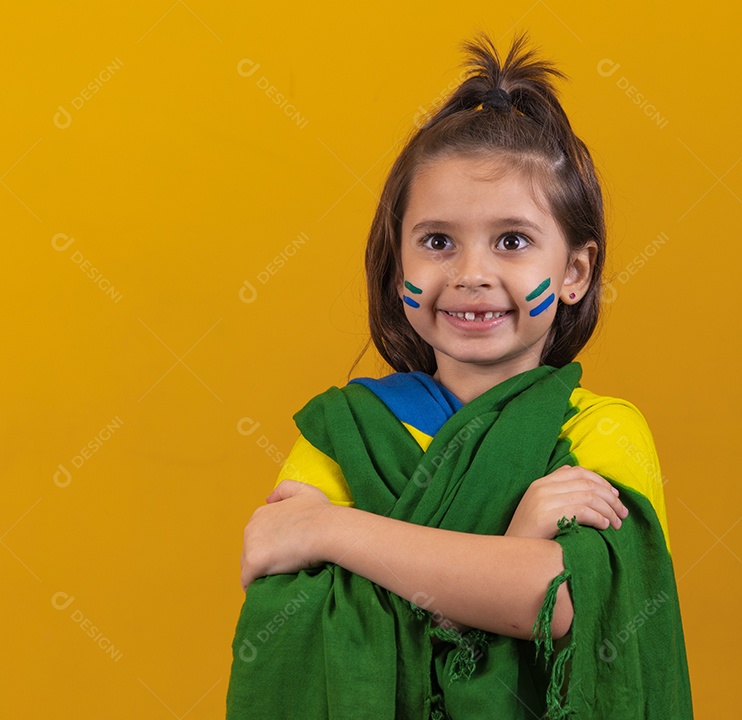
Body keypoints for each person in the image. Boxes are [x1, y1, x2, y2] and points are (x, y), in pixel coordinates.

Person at [226, 31, 693, 719]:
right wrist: (510, 553)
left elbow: (560, 601)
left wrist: (327, 534)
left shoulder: (600, 430)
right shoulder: (344, 431)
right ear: (398, 266)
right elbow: (290, 622)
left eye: (512, 241)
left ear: (574, 272)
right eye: (438, 241)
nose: (471, 275)